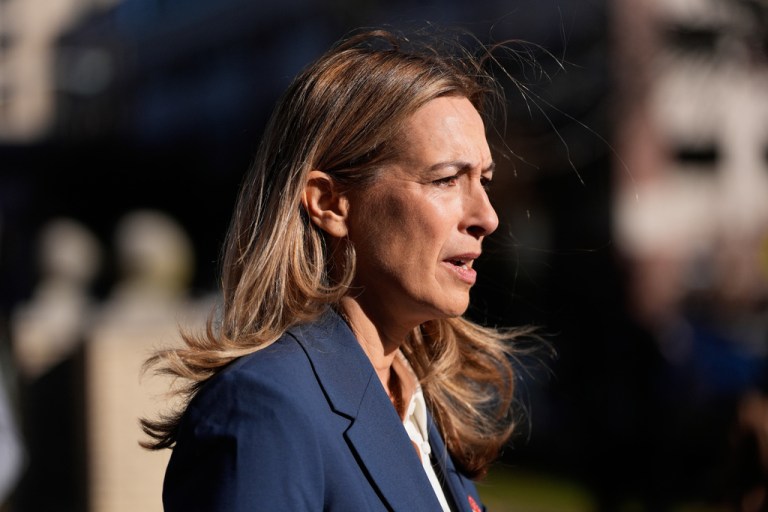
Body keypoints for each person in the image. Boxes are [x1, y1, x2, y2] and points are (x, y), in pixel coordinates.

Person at [142, 28, 534, 512]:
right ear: (330, 202)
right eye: (447, 179)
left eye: (485, 181)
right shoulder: (263, 409)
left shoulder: (416, 403)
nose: (487, 217)